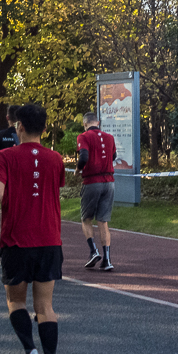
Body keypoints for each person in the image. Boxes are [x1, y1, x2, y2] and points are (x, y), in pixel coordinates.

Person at [0, 103, 66, 354]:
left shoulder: (5, 157)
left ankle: (30, 352)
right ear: (45, 128)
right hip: (49, 239)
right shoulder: (56, 159)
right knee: (45, 305)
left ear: (18, 126)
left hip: (16, 239)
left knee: (16, 301)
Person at [76, 111, 116, 271]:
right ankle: (107, 259)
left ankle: (93, 251)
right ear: (98, 122)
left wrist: (78, 169)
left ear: (85, 124)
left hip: (92, 181)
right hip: (109, 181)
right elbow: (113, 156)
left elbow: (84, 156)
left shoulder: (83, 136)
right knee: (103, 221)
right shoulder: (109, 137)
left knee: (86, 218)